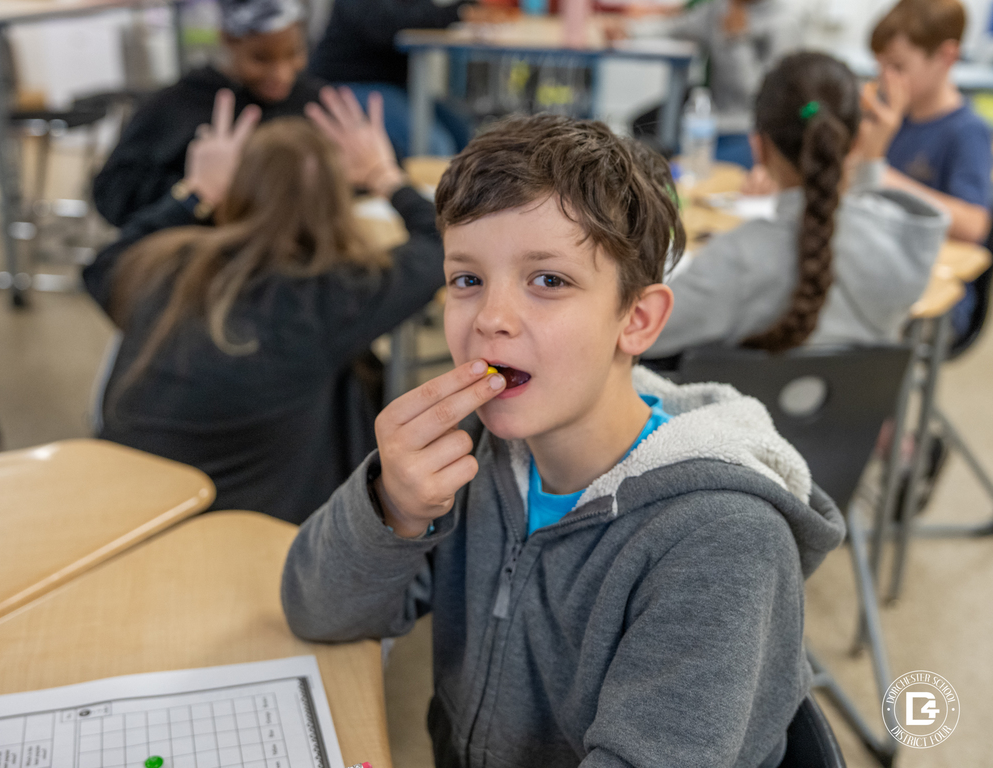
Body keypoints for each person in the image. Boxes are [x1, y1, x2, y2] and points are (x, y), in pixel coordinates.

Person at [281, 114, 846, 767]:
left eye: (548, 280)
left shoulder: (722, 541)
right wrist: (393, 506)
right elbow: (314, 610)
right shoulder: (473, 456)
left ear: (637, 320)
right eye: (467, 279)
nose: (491, 318)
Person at [82, 87, 446, 525]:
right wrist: (384, 175)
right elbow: (442, 243)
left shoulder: (167, 266)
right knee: (353, 383)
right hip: (249, 539)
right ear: (336, 202)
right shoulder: (335, 296)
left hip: (124, 520)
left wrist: (197, 192)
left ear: (239, 188)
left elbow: (102, 266)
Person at [649, 52, 949, 358]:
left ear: (759, 148)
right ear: (858, 141)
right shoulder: (904, 247)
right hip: (863, 407)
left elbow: (641, 337)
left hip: (741, 405)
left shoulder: (738, 260)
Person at [93, 0, 323, 229]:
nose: (281, 74)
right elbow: (113, 194)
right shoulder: (178, 105)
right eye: (261, 59)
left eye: (293, 53)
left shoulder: (311, 101)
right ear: (228, 40)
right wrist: (196, 192)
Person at [868, 0, 992, 337]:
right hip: (882, 264)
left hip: (935, 295)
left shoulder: (967, 132)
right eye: (881, 67)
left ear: (946, 57)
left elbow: (974, 225)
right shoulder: (892, 116)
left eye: (898, 67)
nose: (885, 79)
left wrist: (888, 179)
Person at [623, 0, 799, 167]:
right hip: (708, 115)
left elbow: (760, 94)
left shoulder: (783, 21)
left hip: (747, 128)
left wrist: (737, 41)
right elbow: (676, 27)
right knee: (642, 127)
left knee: (687, 170)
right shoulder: (721, 8)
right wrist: (628, 30)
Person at [309, 0, 475, 159]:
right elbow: (390, 24)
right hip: (349, 84)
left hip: (393, 87)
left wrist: (464, 10)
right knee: (434, 145)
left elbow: (423, 15)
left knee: (463, 130)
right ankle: (416, 188)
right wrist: (460, 12)